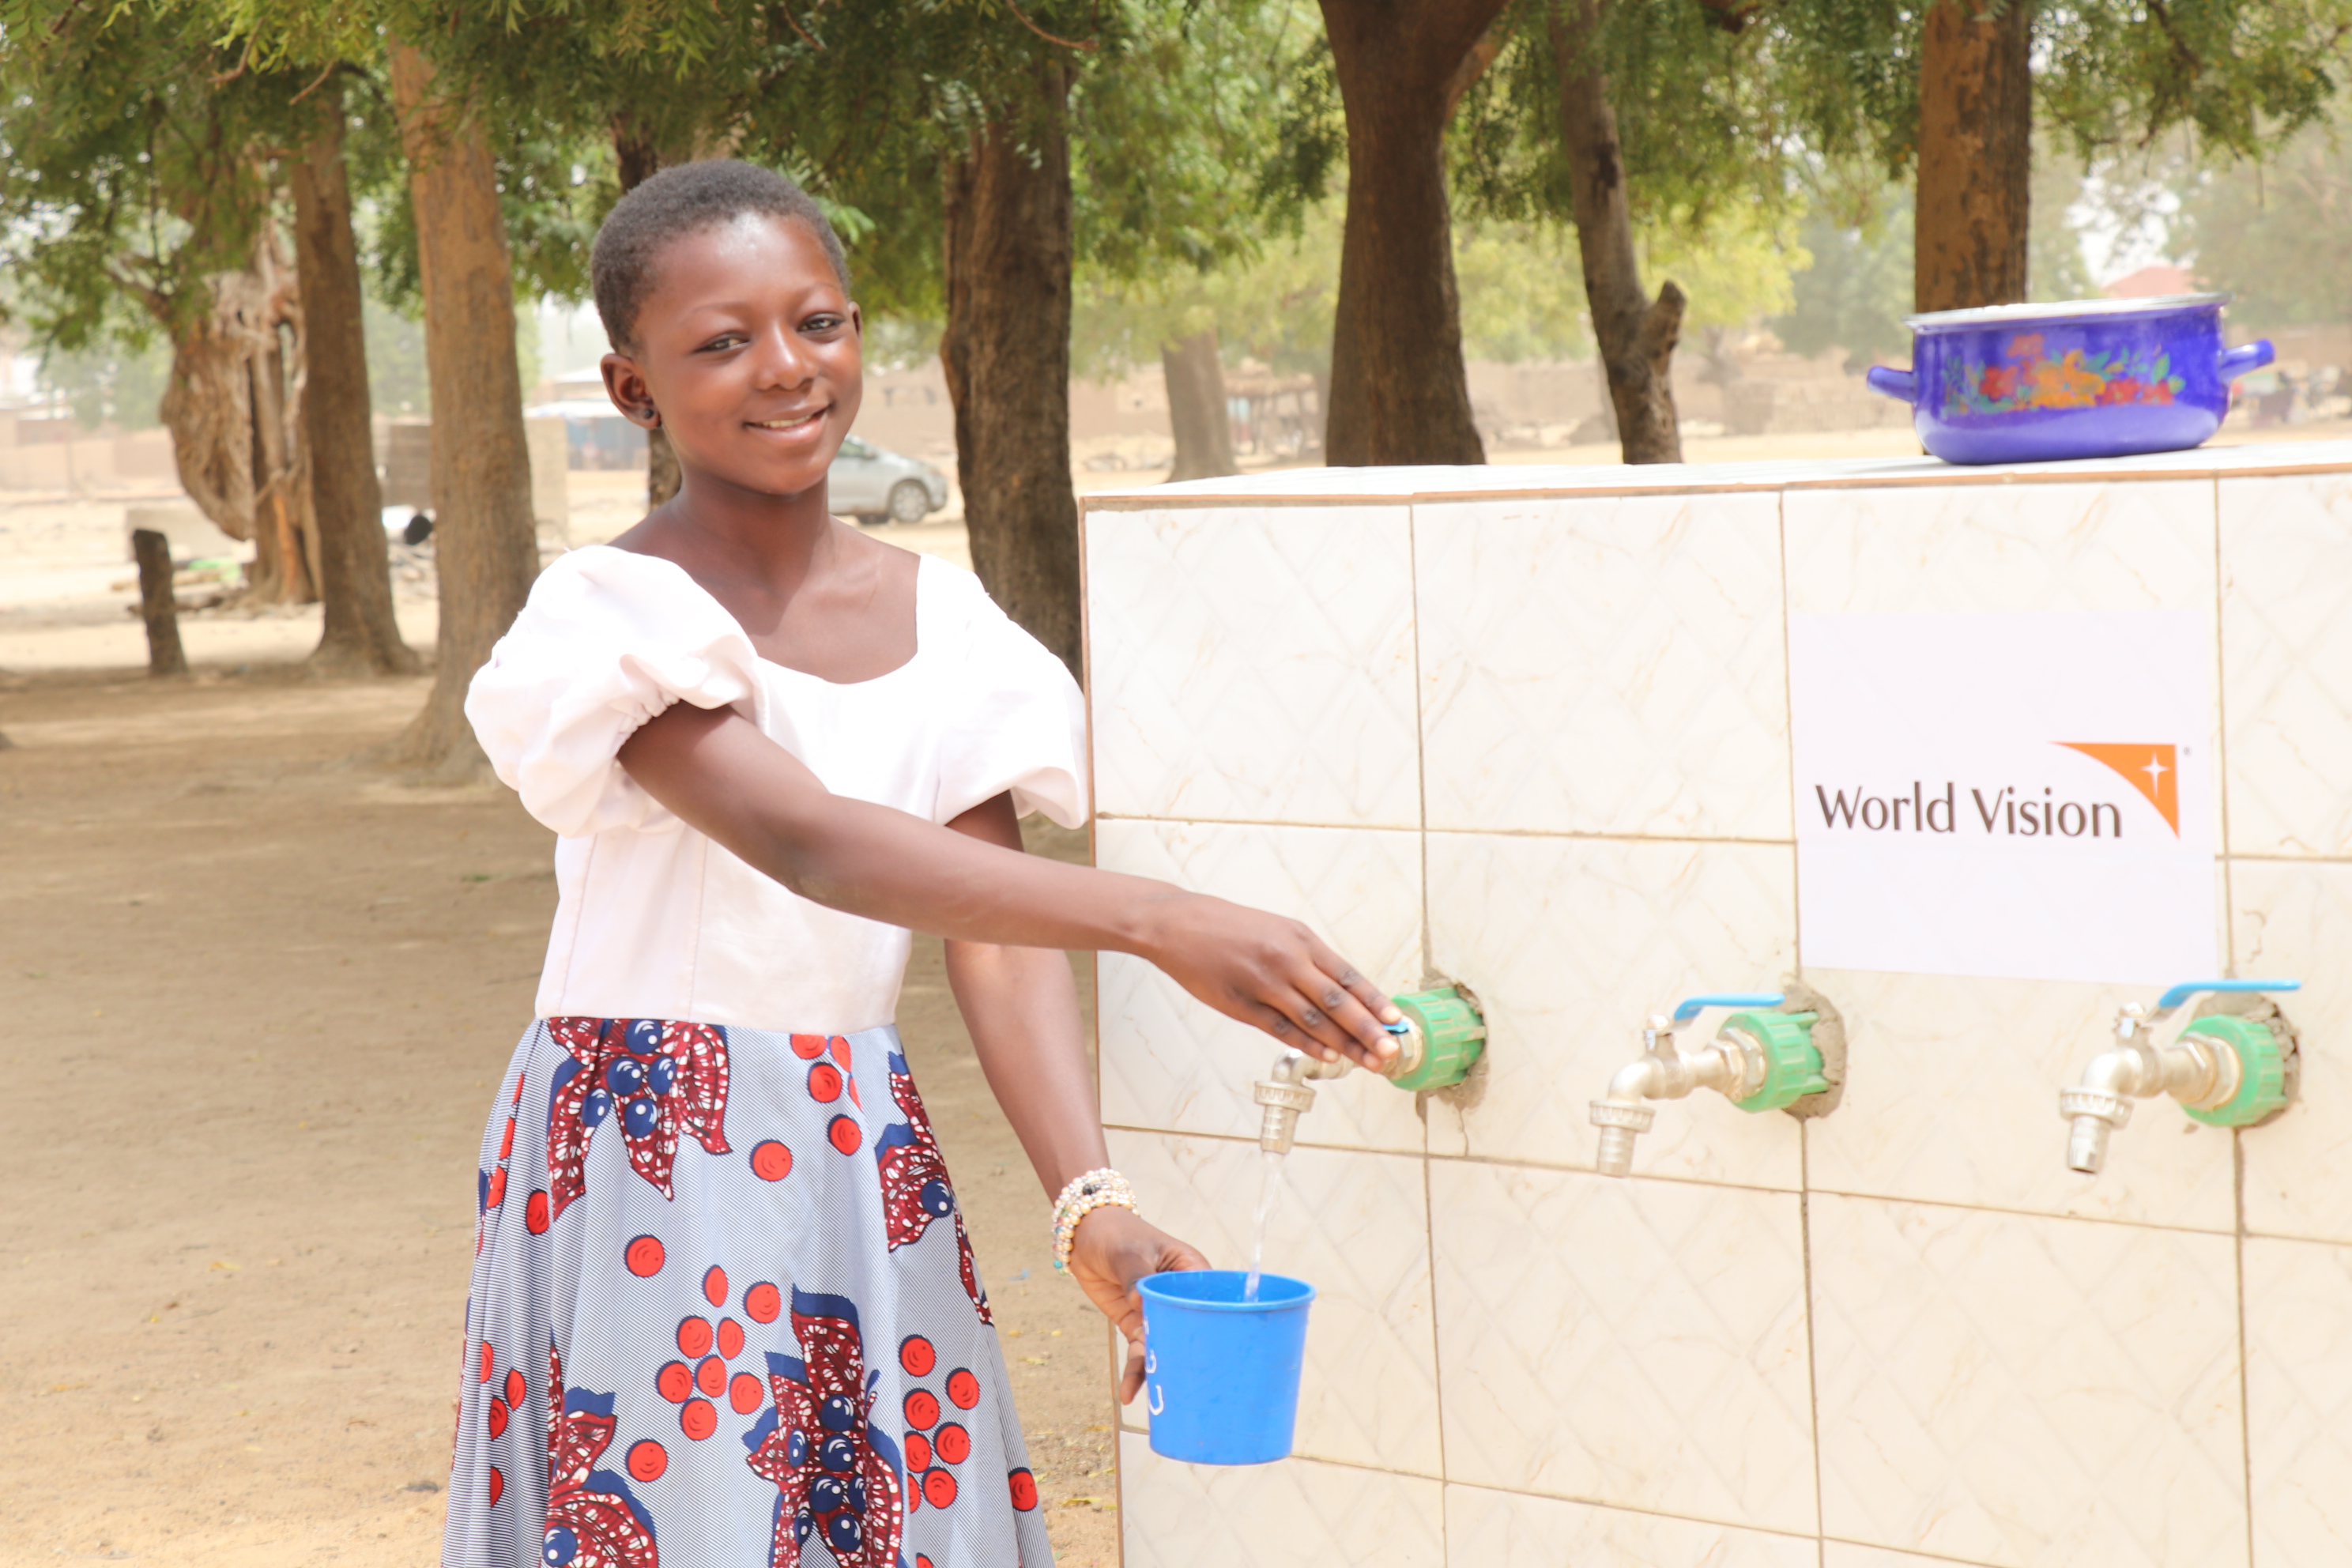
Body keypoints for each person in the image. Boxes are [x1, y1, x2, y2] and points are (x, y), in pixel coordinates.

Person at [448, 159, 1400, 1568]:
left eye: (818, 323)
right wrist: (1158, 919)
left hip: (855, 1137)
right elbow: (809, 842)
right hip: (649, 1141)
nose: (787, 368)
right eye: (723, 342)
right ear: (633, 387)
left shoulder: (945, 624)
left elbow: (994, 939)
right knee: (684, 1513)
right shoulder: (615, 616)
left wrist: (1091, 1205)